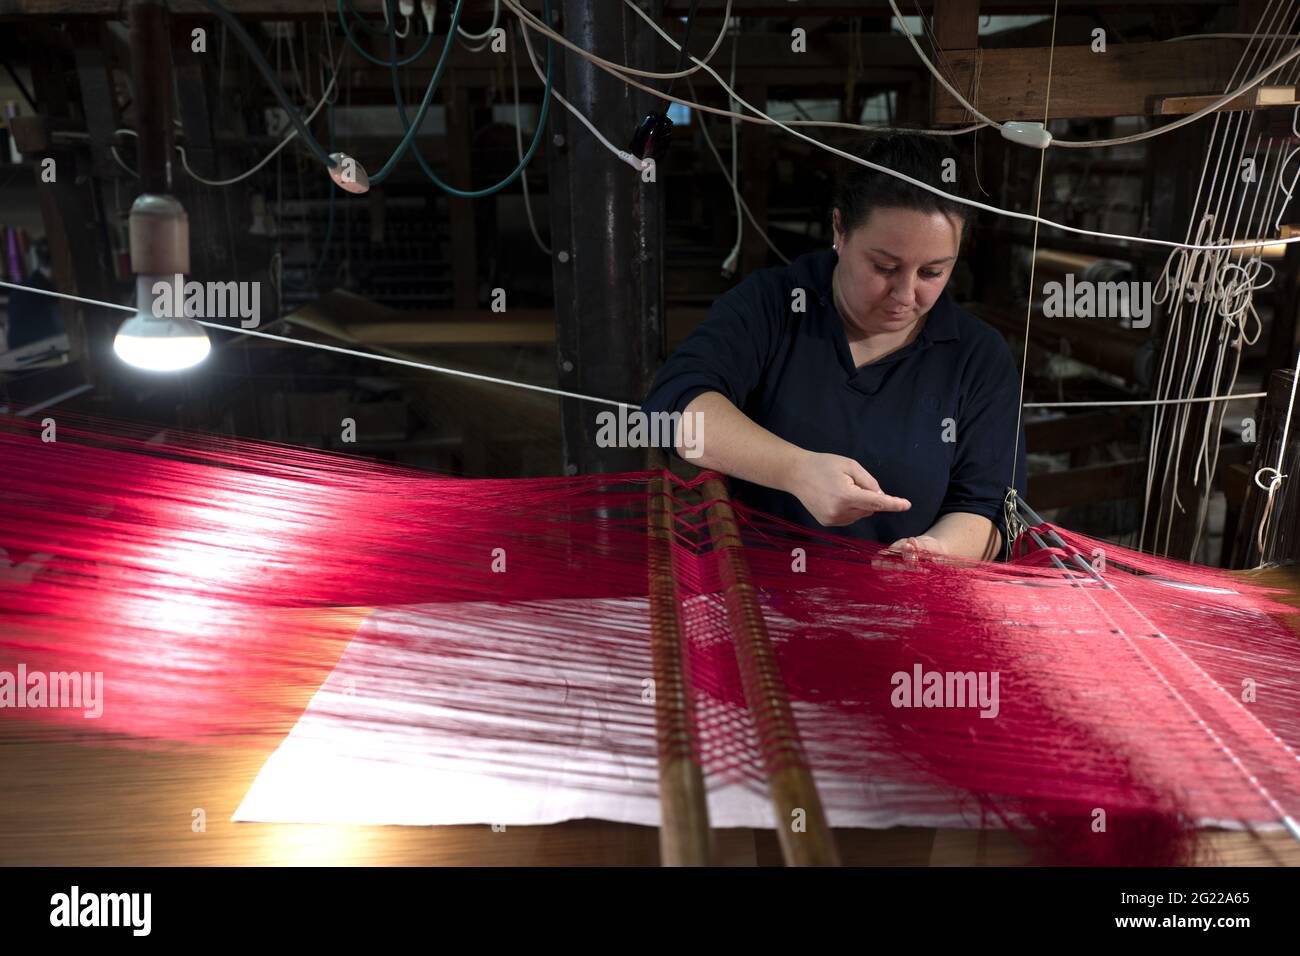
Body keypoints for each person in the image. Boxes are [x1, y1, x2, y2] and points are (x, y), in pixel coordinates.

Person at [641, 133, 1026, 560]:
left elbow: (987, 506)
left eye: (932, 272)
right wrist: (796, 470)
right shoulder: (776, 306)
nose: (905, 293)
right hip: (758, 599)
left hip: (903, 606)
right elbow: (671, 410)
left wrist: (932, 553)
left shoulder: (976, 358)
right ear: (839, 229)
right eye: (884, 267)